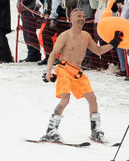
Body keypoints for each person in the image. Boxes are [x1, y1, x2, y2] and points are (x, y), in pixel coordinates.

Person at [41, 8, 112, 142]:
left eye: (83, 16)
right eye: (78, 16)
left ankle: (95, 130)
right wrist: (48, 71)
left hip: (78, 73)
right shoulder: (65, 36)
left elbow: (98, 50)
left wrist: (114, 43)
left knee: (92, 98)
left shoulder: (86, 36)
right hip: (64, 70)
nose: (81, 19)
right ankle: (51, 129)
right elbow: (53, 53)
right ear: (71, 19)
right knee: (65, 99)